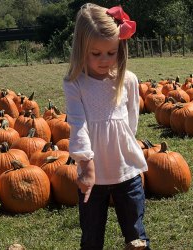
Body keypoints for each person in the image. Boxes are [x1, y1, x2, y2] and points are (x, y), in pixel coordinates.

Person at [63, 3, 150, 250]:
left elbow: (131, 122)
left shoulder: (128, 80)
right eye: (96, 53)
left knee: (136, 233)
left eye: (111, 53)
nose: (104, 60)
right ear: (81, 49)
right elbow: (77, 124)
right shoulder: (75, 84)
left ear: (120, 48)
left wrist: (124, 149)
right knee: (91, 238)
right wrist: (86, 164)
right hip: (91, 177)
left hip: (127, 173)